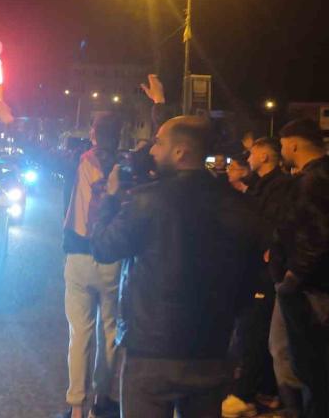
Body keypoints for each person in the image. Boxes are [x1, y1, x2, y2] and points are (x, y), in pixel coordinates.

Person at [90, 115, 263, 418]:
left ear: (181, 151)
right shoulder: (237, 204)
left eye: (159, 143)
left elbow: (104, 247)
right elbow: (249, 278)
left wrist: (110, 198)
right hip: (211, 347)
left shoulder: (147, 200)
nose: (153, 151)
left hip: (152, 350)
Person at [270, 118, 329, 418]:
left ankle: (308, 411)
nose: (282, 151)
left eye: (282, 145)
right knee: (291, 351)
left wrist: (292, 277)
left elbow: (316, 237)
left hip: (310, 287)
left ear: (293, 144)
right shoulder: (323, 177)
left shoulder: (315, 181)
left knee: (303, 357)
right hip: (308, 284)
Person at [59, 113, 123, 418]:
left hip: (78, 255)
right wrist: (160, 106)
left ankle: (76, 407)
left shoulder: (75, 161)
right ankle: (102, 400)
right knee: (110, 332)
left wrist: (10, 122)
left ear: (93, 133)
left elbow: (39, 155)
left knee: (79, 333)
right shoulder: (125, 166)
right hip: (112, 259)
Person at [222, 138, 291, 417]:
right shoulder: (262, 186)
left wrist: (270, 249)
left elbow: (269, 224)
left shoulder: (279, 188)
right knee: (257, 331)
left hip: (263, 271)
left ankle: (245, 394)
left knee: (254, 331)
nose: (248, 158)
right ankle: (266, 389)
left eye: (252, 154)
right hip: (256, 268)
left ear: (263, 156)